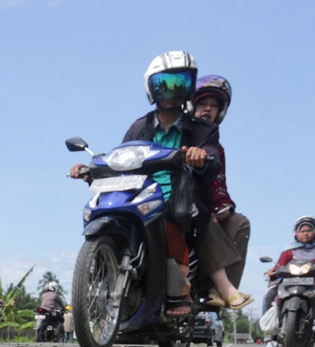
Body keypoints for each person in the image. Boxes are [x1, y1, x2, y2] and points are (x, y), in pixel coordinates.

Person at [70, 51, 219, 318]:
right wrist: (91, 169)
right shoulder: (139, 126)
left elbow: (212, 157)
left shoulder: (201, 129)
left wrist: (200, 157)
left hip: (176, 193)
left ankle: (178, 294)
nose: (171, 91)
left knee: (170, 227)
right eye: (164, 84)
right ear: (151, 88)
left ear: (189, 87)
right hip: (137, 189)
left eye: (180, 83)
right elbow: (122, 157)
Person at [189, 75, 252, 310]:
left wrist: (224, 208)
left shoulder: (214, 144)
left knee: (240, 222)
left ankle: (217, 291)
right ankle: (226, 287)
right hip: (185, 203)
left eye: (214, 105)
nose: (208, 109)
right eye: (203, 103)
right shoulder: (182, 132)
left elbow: (218, 184)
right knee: (204, 216)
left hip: (212, 206)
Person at [262, 216, 315, 341]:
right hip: (289, 281)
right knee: (270, 293)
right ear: (296, 233)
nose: (305, 233)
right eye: (302, 231)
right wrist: (272, 271)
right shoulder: (288, 250)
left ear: (314, 232)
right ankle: (270, 330)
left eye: (309, 230)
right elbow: (279, 265)